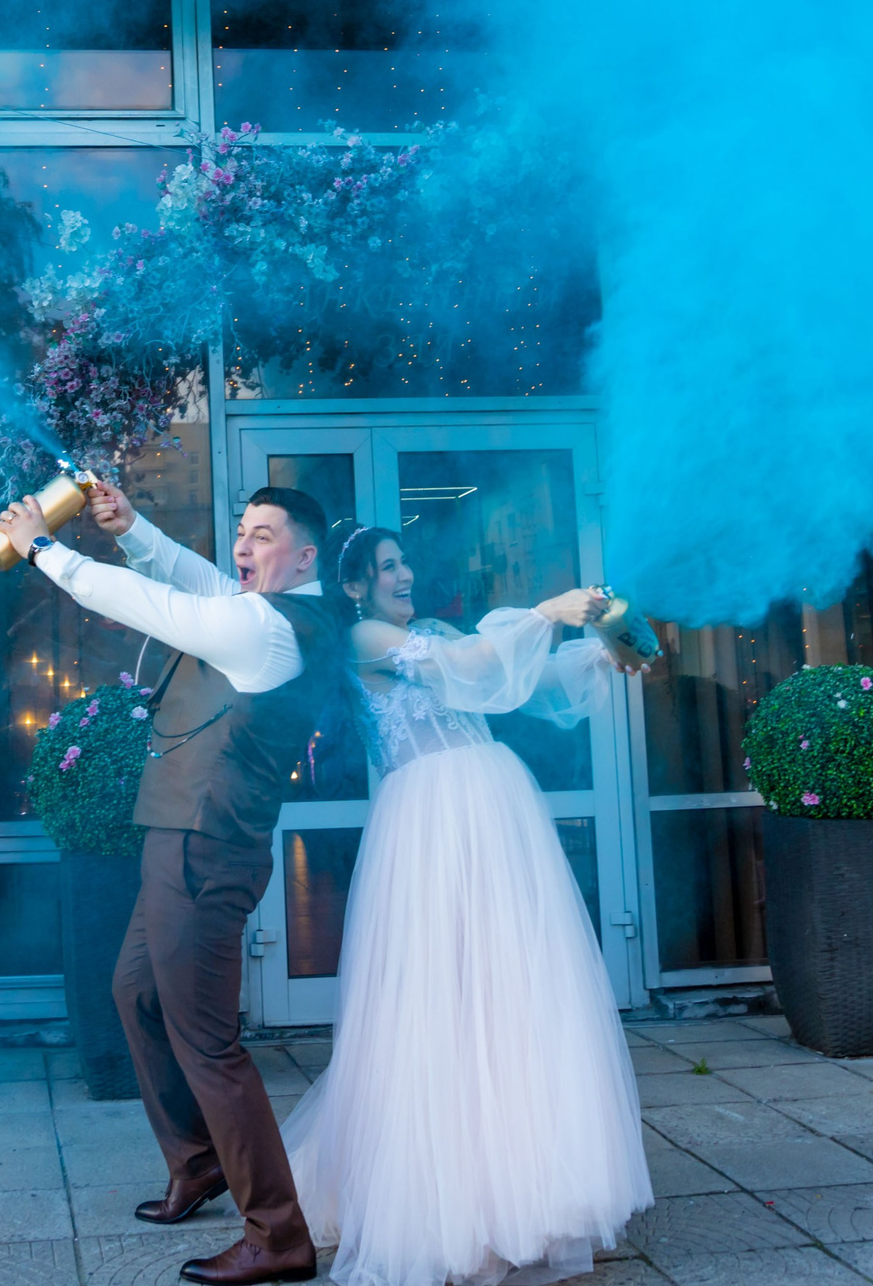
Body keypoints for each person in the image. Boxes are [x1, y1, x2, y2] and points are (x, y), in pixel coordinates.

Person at [281, 525, 655, 1286]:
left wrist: (599, 652)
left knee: (511, 997)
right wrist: (550, 608)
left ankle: (532, 1195)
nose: (404, 573)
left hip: (492, 813)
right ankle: (446, 1207)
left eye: (405, 561)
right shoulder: (362, 637)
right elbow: (471, 663)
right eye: (387, 566)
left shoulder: (423, 631)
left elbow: (520, 681)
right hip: (431, 820)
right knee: (440, 1001)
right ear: (354, 586)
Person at [0, 478, 343, 1286]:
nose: (244, 546)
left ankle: (279, 1233)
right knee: (133, 992)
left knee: (209, 1045)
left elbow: (164, 607)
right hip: (180, 842)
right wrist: (132, 527)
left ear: (305, 554)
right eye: (242, 531)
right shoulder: (272, 610)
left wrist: (47, 549)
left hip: (202, 848)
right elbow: (193, 579)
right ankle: (197, 1163)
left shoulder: (268, 629)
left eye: (262, 534)